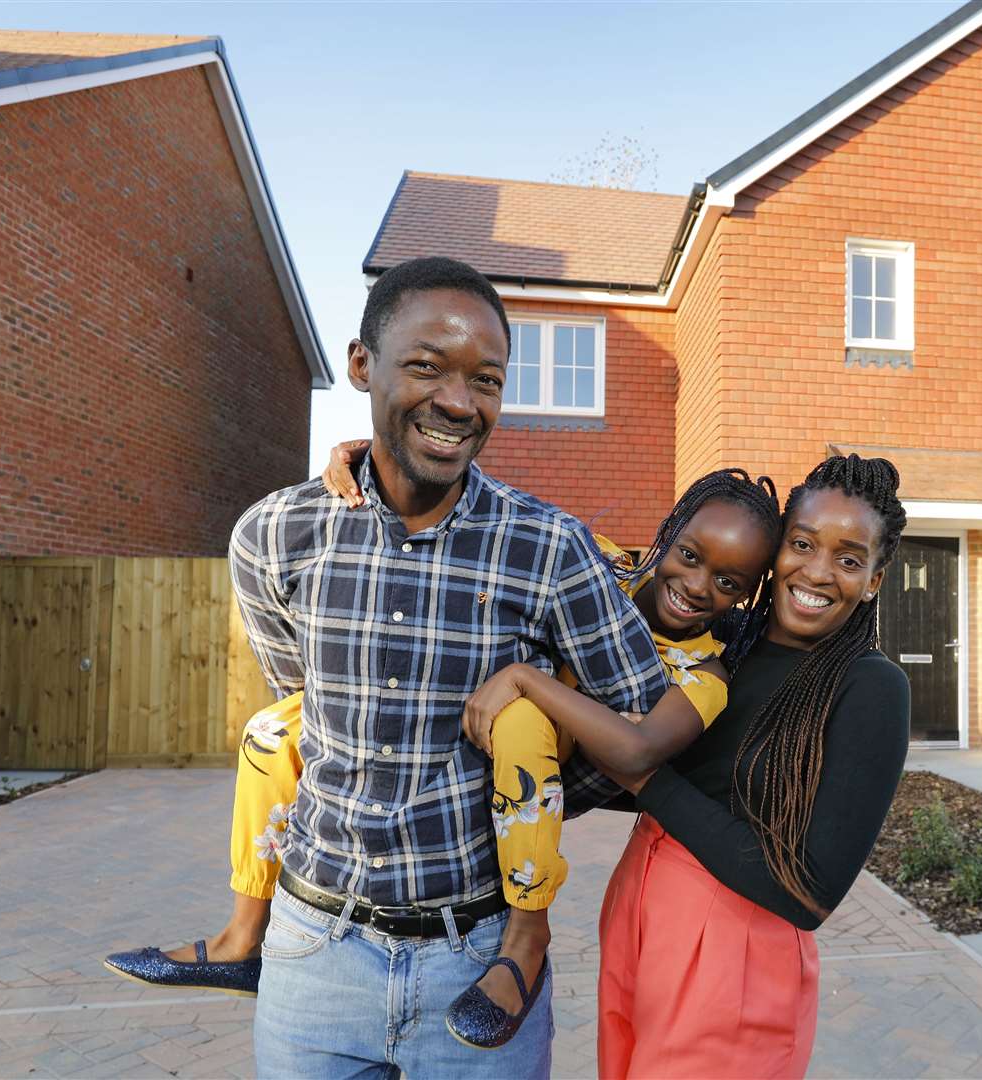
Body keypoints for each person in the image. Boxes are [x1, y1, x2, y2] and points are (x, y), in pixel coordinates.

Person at [114, 255, 668, 1079]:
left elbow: (641, 731)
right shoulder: (275, 536)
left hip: (481, 962)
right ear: (361, 364)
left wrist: (534, 783)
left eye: (486, 379)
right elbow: (307, 711)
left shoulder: (550, 547)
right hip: (314, 957)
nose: (458, 401)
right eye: (426, 366)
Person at [107, 457, 783, 1053]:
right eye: (690, 556)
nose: (699, 586)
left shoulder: (709, 674)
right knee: (273, 729)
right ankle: (242, 936)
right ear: (668, 533)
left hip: (547, 764)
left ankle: (527, 936)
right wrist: (371, 464)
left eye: (729, 583)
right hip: (455, 720)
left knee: (521, 722)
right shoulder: (597, 559)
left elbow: (638, 747)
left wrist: (526, 681)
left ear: (747, 596)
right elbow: (497, 517)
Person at [589, 453, 914, 1079]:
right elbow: (596, 571)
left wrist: (642, 773)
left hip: (736, 949)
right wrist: (380, 466)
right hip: (637, 908)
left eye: (849, 559)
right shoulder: (723, 642)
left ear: (874, 578)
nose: (817, 572)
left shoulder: (868, 687)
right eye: (802, 544)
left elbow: (809, 892)